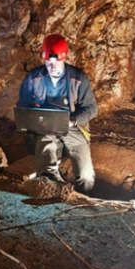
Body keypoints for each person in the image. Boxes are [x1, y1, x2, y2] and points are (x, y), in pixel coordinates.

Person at [17, 34, 98, 194]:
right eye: (48, 62)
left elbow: (91, 108)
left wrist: (73, 121)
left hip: (74, 127)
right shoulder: (34, 78)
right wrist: (33, 122)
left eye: (56, 62)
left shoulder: (78, 78)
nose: (52, 66)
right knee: (47, 173)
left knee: (86, 176)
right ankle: (52, 195)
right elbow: (23, 106)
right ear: (44, 58)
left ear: (64, 58)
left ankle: (82, 201)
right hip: (45, 127)